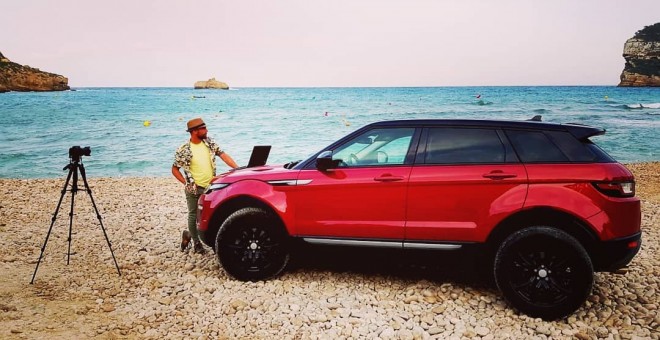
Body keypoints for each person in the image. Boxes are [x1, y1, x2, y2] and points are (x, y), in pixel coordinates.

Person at [172, 117, 239, 253]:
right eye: (203, 129)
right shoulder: (184, 149)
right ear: (195, 131)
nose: (206, 130)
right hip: (194, 189)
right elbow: (174, 169)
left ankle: (190, 235)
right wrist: (186, 184)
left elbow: (223, 155)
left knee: (210, 214)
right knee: (193, 214)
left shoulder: (209, 142)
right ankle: (197, 243)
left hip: (211, 186)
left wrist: (238, 169)